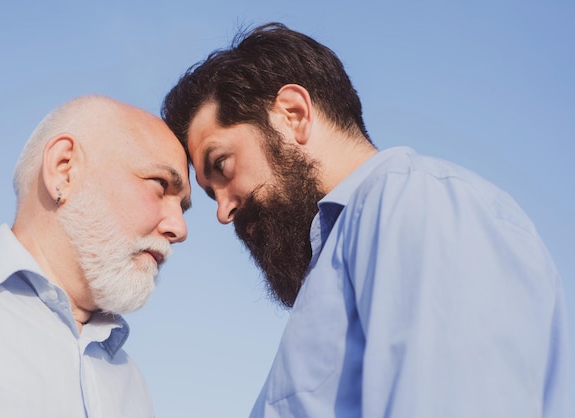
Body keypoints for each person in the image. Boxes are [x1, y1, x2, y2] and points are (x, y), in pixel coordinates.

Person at [161, 23, 570, 418]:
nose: (223, 211)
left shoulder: (413, 203)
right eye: (212, 193)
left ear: (292, 114)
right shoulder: (346, 251)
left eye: (222, 165)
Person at [0, 95, 191, 417]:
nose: (180, 228)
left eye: (183, 207)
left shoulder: (131, 381)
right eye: (160, 184)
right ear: (64, 170)